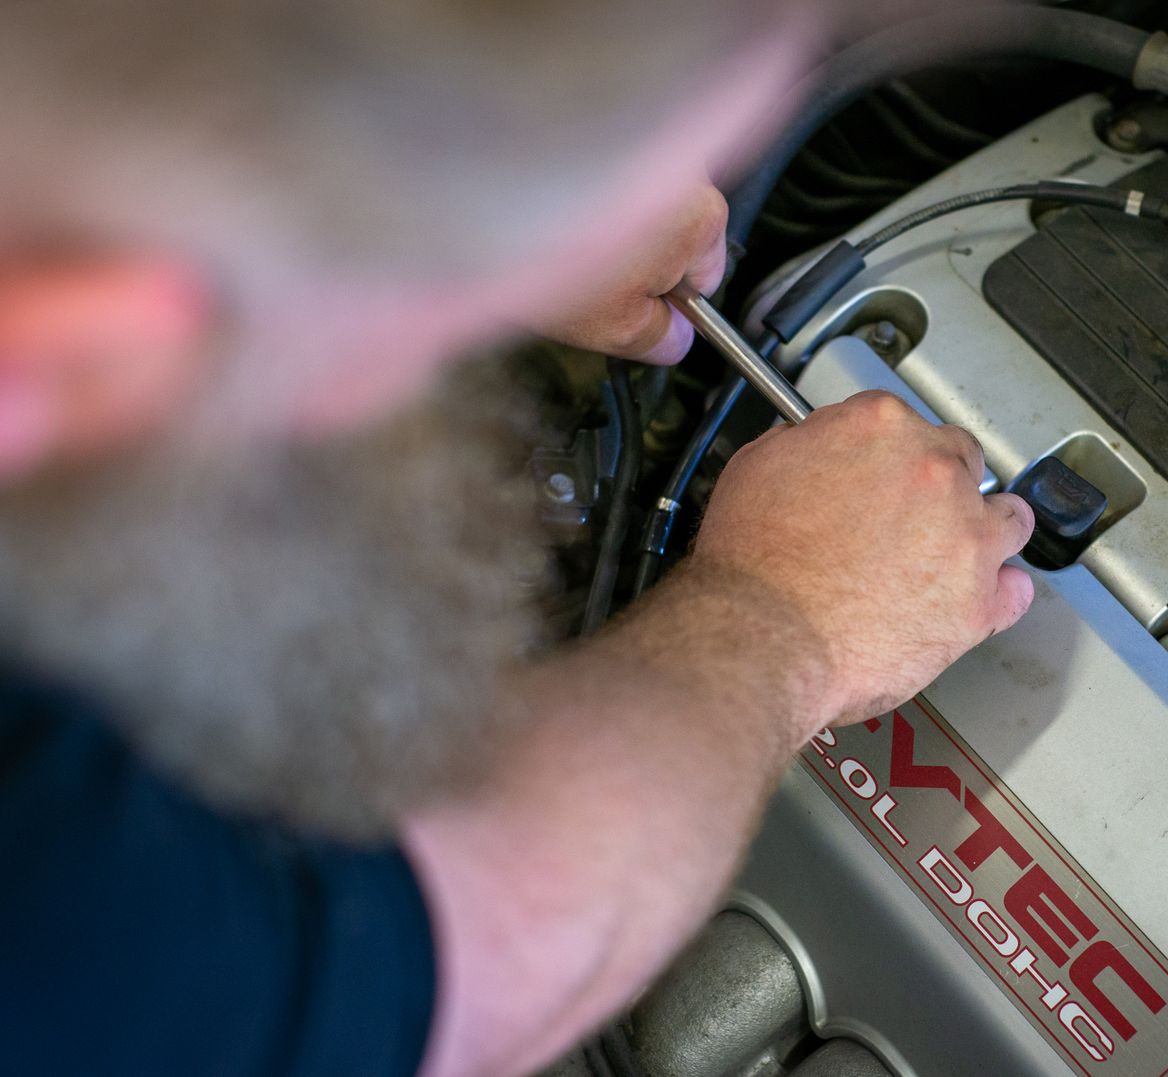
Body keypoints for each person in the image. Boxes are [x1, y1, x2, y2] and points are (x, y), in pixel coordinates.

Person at [0, 2, 1034, 1075]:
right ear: (94, 335)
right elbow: (461, 959)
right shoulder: (54, 895)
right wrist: (791, 616)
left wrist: (476, 213)